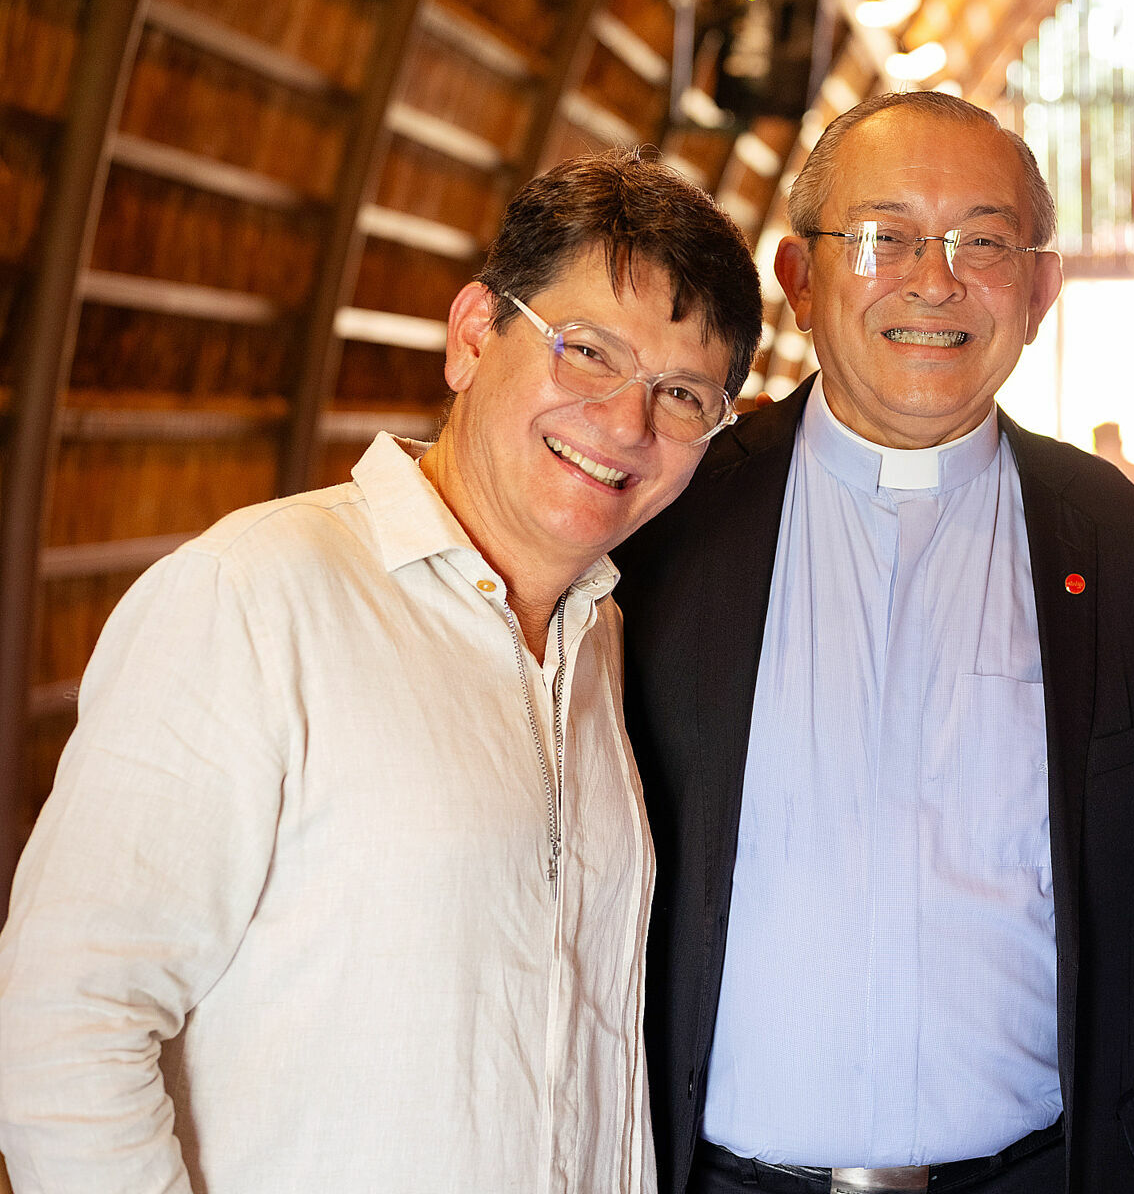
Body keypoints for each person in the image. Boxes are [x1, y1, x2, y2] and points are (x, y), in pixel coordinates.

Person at [0, 152, 763, 1193]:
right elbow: (63, 1017)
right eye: (585, 351)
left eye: (681, 394)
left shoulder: (603, 641)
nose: (625, 424)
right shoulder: (257, 594)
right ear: (470, 336)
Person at [615, 91, 1134, 1194]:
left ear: (1041, 286)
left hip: (1038, 1177)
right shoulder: (667, 521)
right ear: (799, 277)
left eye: (984, 241)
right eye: (885, 236)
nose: (935, 280)